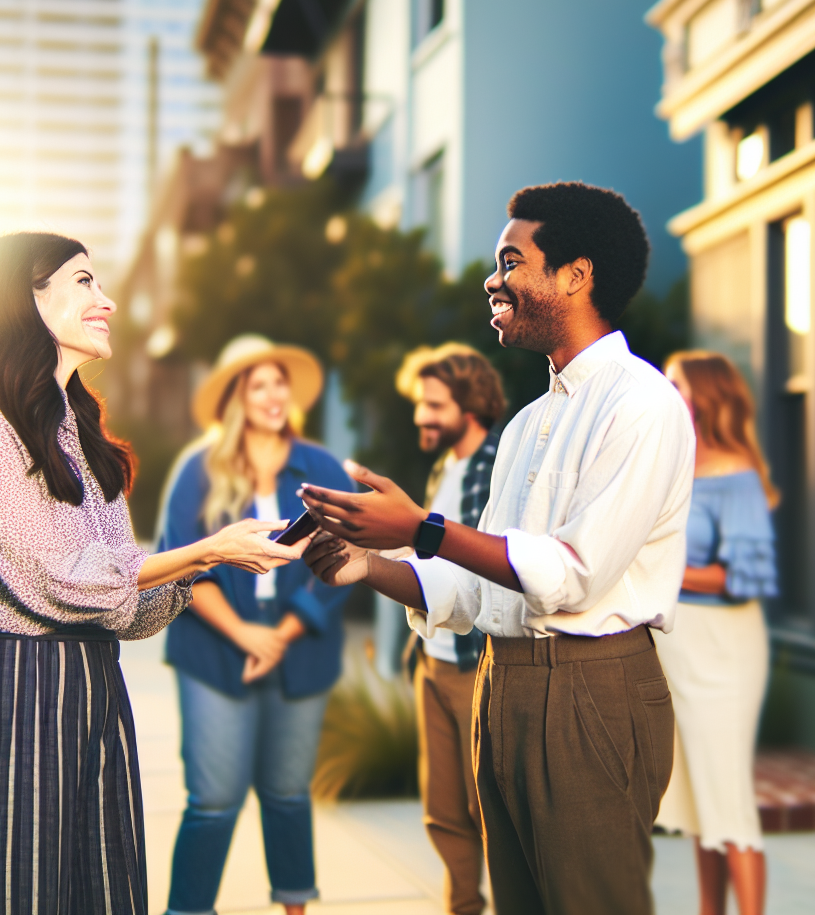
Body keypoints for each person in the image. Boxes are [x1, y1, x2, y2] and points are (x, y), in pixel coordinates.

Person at [299, 182, 696, 915]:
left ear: (576, 276)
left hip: (590, 691)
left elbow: (572, 576)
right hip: (500, 685)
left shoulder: (641, 405)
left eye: (512, 261)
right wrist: (367, 564)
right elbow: (477, 594)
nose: (494, 279)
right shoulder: (525, 426)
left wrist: (422, 528)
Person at [0, 232, 304, 915]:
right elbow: (58, 577)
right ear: (24, 297)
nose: (106, 301)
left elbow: (120, 607)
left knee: (96, 888)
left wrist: (208, 564)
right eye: (85, 282)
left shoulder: (81, 431)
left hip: (90, 687)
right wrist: (204, 551)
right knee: (13, 891)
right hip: (10, 691)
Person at [159, 334, 356, 915]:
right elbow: (181, 561)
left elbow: (342, 558)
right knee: (214, 799)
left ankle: (294, 905)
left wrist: (285, 633)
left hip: (299, 643)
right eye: (258, 384)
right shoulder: (197, 470)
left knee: (288, 793)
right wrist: (247, 635)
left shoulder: (319, 467)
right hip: (215, 646)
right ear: (235, 398)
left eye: (279, 383)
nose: (273, 395)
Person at [656, 351, 780, 915]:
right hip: (677, 649)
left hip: (724, 651)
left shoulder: (736, 474)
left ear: (705, 395)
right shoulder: (672, 466)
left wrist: (657, 567)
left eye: (676, 383)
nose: (664, 388)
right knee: (698, 804)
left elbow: (744, 577)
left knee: (727, 801)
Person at [393, 343, 505, 915]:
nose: (421, 416)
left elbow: (488, 565)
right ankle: (462, 906)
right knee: (442, 809)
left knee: (486, 808)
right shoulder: (445, 465)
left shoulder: (494, 462)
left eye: (433, 405)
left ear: (471, 403)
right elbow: (426, 559)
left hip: (472, 662)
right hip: (431, 660)